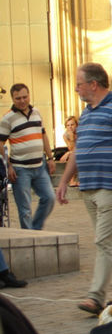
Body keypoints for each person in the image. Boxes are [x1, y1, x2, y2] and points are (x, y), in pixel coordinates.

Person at [55, 63, 112, 315]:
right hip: (89, 187)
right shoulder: (87, 113)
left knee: (104, 241)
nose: (76, 88)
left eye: (79, 83)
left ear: (93, 84)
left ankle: (96, 296)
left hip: (110, 186)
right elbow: (78, 151)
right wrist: (63, 181)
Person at [0, 84, 56, 239]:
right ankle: (29, 237)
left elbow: (43, 136)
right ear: (13, 98)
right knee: (24, 208)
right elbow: (0, 143)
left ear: (29, 95)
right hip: (20, 168)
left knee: (49, 198)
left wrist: (50, 158)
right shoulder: (7, 118)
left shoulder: (36, 113)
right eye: (18, 98)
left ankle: (35, 230)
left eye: (25, 97)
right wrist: (8, 166)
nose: (22, 101)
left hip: (39, 165)